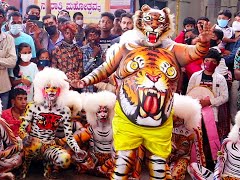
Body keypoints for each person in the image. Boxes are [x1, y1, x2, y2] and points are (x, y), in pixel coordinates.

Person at [70, 4, 212, 179]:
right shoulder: (126, 47)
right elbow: (104, 69)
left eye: (159, 21)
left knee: (159, 166)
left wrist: (204, 42)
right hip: (127, 120)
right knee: (122, 163)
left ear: (167, 26)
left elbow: (196, 52)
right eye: (148, 21)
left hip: (160, 121)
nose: (153, 25)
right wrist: (83, 81)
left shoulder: (173, 49)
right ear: (140, 24)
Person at [19, 68, 86, 178]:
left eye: (54, 88)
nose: (51, 91)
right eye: (47, 87)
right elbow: (22, 129)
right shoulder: (33, 106)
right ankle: (24, 169)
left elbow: (69, 136)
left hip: (49, 146)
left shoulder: (65, 111)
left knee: (65, 159)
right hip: (32, 145)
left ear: (61, 90)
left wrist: (77, 150)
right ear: (42, 89)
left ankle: (48, 166)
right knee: (32, 148)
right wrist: (26, 137)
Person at [188, 108, 240, 179]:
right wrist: (217, 178)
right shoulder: (227, 144)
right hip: (223, 177)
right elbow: (219, 163)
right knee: (193, 166)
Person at [81, 23, 103, 92]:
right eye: (90, 35)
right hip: (88, 88)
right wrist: (93, 55)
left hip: (100, 87)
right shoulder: (83, 50)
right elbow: (85, 70)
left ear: (99, 36)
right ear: (87, 37)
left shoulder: (102, 50)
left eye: (95, 35)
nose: (93, 38)